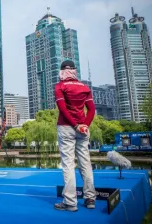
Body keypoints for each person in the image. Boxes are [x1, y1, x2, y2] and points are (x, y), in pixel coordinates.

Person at [53, 60, 97, 212]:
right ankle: (90, 198)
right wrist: (85, 125)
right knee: (85, 163)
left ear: (62, 71)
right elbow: (91, 110)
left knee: (68, 165)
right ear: (74, 71)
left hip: (66, 128)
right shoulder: (85, 87)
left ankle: (70, 202)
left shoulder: (60, 86)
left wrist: (76, 125)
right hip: (83, 129)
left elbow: (63, 109)